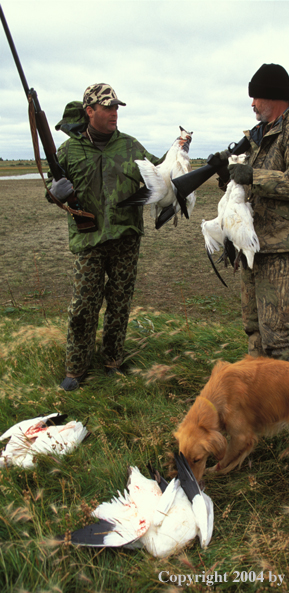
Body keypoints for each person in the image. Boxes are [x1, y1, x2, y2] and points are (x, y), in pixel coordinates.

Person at [46, 83, 164, 390]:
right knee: (84, 305)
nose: (114, 113)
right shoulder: (69, 150)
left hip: (126, 237)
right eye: (108, 108)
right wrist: (53, 193)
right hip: (89, 239)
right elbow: (53, 184)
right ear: (90, 112)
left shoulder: (130, 146)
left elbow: (160, 172)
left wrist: (180, 152)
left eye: (116, 107)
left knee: (119, 302)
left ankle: (113, 362)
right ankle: (76, 368)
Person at [217, 64, 289, 364]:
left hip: (280, 246)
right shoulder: (262, 135)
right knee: (254, 329)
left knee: (277, 335)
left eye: (256, 97)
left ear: (272, 97)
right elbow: (250, 189)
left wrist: (253, 176)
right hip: (255, 244)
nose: (252, 104)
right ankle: (261, 401)